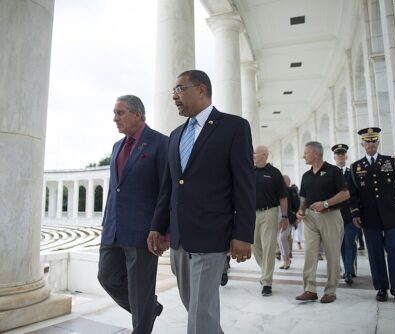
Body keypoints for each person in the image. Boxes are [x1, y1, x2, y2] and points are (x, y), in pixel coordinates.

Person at [147, 70, 255, 334]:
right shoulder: (175, 135)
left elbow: (245, 184)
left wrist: (243, 234)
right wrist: (157, 226)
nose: (174, 96)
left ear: (202, 89)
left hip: (212, 235)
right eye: (173, 90)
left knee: (201, 311)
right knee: (193, 304)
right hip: (180, 238)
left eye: (179, 89)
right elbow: (169, 187)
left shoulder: (234, 127)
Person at [97, 95, 168, 334]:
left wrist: (162, 229)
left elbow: (165, 191)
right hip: (113, 230)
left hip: (143, 232)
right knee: (107, 277)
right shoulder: (117, 146)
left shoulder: (160, 143)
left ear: (138, 114)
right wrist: (106, 223)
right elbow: (114, 190)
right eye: (115, 113)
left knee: (141, 289)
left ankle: (142, 324)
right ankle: (150, 308)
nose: (115, 118)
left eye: (120, 113)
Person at [349, 127, 395, 305]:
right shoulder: (356, 167)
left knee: (394, 248)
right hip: (368, 217)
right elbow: (353, 194)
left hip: (391, 214)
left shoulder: (391, 162)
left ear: (378, 142)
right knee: (375, 253)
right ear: (362, 144)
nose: (371, 144)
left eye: (374, 141)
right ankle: (381, 288)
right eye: (367, 142)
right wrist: (355, 213)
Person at [295, 141, 349, 304]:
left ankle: (330, 291)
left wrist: (326, 203)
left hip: (330, 216)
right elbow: (303, 196)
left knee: (332, 255)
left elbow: (345, 194)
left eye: (306, 153)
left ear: (316, 154)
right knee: (310, 254)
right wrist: (300, 210)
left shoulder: (333, 171)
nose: (303, 155)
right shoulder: (306, 175)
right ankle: (310, 289)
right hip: (310, 219)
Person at [252, 145, 288, 296]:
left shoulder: (274, 173)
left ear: (264, 155)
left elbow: (283, 197)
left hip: (270, 212)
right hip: (252, 214)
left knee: (268, 247)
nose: (253, 155)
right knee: (255, 246)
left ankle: (267, 282)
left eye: (255, 153)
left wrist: (284, 216)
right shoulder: (249, 171)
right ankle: (265, 270)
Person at [331, 144, 358, 286]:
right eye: (338, 155)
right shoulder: (331, 173)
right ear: (334, 157)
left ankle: (348, 271)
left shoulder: (352, 172)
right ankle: (348, 268)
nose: (340, 157)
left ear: (346, 157)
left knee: (349, 242)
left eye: (343, 155)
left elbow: (356, 193)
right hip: (335, 215)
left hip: (350, 214)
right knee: (341, 244)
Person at [279, 175, 299, 270]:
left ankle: (286, 259)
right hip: (278, 217)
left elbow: (296, 204)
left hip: (288, 217)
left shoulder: (291, 191)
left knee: (282, 237)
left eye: (286, 181)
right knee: (280, 239)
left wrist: (296, 218)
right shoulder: (277, 190)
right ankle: (285, 260)